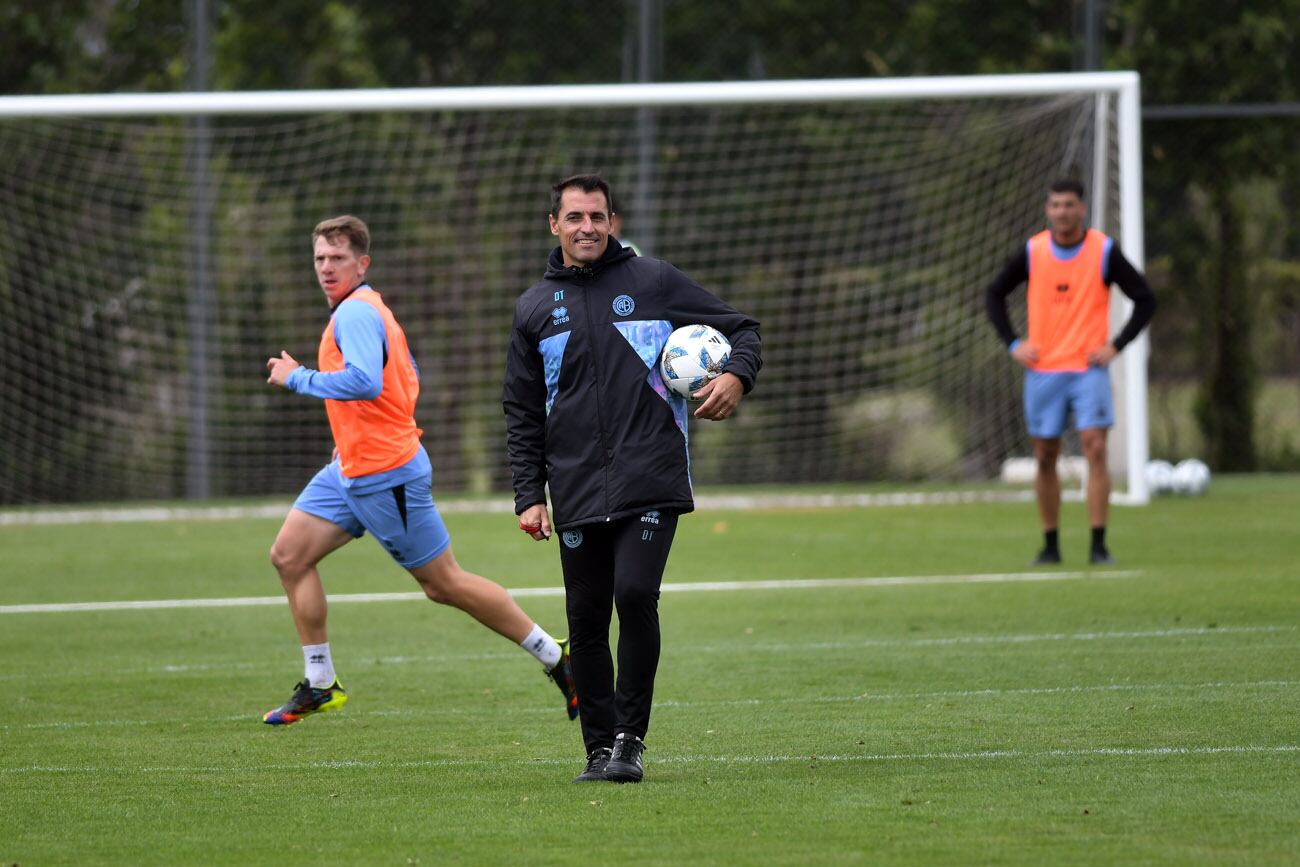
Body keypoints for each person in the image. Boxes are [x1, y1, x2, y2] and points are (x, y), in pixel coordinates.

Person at [261, 214, 577, 727]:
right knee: (289, 556)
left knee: (444, 584)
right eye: (319, 258)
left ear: (362, 263)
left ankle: (558, 658)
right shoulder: (364, 309)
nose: (326, 267)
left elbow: (364, 382)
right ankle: (320, 682)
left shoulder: (356, 314)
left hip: (386, 475)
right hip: (350, 469)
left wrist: (298, 377)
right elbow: (403, 378)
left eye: (337, 258)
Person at [503, 174, 762, 783]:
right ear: (555, 226)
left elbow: (743, 329)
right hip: (574, 485)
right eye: (575, 218)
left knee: (634, 595)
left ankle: (629, 739)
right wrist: (528, 493)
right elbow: (520, 408)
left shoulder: (654, 281)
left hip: (651, 473)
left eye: (597, 216)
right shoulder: (534, 307)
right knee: (586, 618)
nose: (587, 227)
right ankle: (598, 751)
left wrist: (737, 377)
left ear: (613, 221)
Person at [985, 178, 1156, 565]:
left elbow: (1146, 299)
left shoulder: (1103, 251)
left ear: (1082, 209)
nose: (1062, 212)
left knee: (1096, 447)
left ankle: (1098, 545)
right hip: (1044, 371)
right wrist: (1014, 343)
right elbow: (994, 294)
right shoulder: (1033, 252)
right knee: (1045, 455)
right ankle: (1050, 544)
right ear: (1048, 210)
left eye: (1069, 205)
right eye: (1055, 205)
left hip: (1087, 370)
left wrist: (1115, 345)